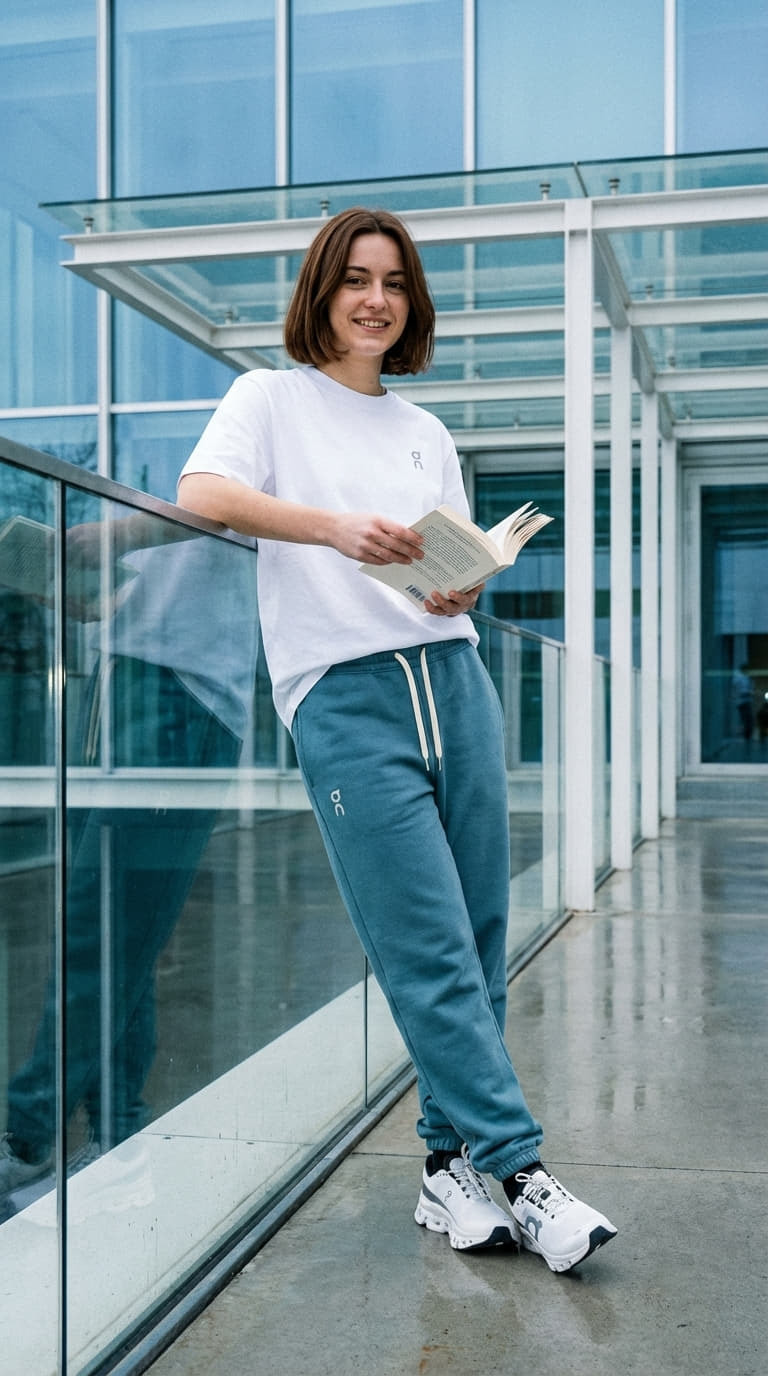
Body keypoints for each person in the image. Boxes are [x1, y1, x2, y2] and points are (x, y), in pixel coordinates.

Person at [177, 206, 617, 1274]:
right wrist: (333, 527)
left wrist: (452, 583)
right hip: (342, 695)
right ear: (322, 290)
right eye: (356, 278)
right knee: (423, 948)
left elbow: (442, 570)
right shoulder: (269, 399)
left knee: (473, 939)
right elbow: (204, 493)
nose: (377, 298)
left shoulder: (427, 432)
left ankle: (441, 1171)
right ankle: (519, 1170)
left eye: (396, 283)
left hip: (451, 676)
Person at [0, 518, 256, 1217]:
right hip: (122, 672)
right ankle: (117, 1143)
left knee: (99, 928)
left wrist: (112, 535)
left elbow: (226, 510)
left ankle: (25, 1138)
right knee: (110, 933)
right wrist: (80, 585)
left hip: (183, 688)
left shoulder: (258, 408)